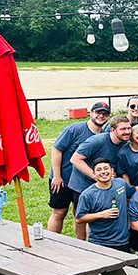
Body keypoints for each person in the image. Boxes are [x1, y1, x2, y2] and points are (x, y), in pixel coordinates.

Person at [48, 101, 110, 239]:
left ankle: (81, 244)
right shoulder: (75, 129)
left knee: (81, 214)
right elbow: (57, 149)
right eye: (98, 112)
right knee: (59, 213)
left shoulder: (105, 134)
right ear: (91, 113)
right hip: (63, 179)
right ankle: (51, 241)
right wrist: (57, 176)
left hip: (82, 182)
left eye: (105, 114)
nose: (101, 116)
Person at [68, 116, 132, 208]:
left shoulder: (125, 142)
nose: (127, 132)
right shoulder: (96, 141)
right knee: (82, 217)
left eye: (129, 128)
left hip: (106, 183)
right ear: (113, 130)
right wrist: (95, 176)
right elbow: (75, 159)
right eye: (123, 129)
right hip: (84, 183)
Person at [75, 158, 130, 250]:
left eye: (106, 168)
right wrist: (102, 214)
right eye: (99, 170)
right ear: (93, 174)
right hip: (100, 242)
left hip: (123, 241)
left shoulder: (121, 184)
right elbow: (79, 218)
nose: (103, 172)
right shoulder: (87, 195)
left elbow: (133, 191)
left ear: (112, 171)